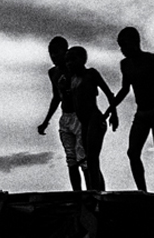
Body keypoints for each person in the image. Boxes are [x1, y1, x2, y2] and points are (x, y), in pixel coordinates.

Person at [105, 27, 154, 195]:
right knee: (133, 153)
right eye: (120, 46)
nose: (122, 50)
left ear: (135, 43)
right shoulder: (125, 64)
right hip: (141, 114)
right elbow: (125, 89)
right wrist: (110, 109)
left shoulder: (151, 59)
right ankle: (142, 192)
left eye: (124, 45)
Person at [60, 46, 117, 191]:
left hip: (94, 119)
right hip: (83, 122)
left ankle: (96, 191)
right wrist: (62, 88)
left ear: (83, 59)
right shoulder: (72, 79)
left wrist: (113, 114)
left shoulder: (91, 74)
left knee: (91, 158)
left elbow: (109, 94)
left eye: (73, 59)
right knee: (87, 159)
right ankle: (95, 190)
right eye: (67, 61)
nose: (69, 63)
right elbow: (68, 100)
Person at [37, 36, 85, 191]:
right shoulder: (53, 73)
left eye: (56, 53)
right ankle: (77, 193)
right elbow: (56, 97)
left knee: (84, 159)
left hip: (80, 117)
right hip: (66, 117)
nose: (53, 56)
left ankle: (93, 190)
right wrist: (46, 121)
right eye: (51, 53)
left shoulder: (75, 70)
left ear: (65, 52)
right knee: (71, 160)